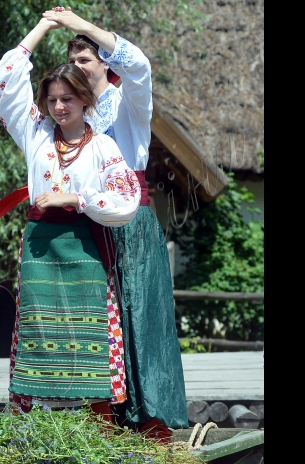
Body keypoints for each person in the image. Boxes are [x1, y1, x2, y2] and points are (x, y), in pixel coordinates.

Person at [39, 6, 189, 440]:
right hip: (88, 223)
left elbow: (138, 64)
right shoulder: (74, 119)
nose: (79, 70)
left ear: (106, 62)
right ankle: (105, 418)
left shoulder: (129, 101)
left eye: (86, 60)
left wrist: (80, 26)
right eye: (75, 63)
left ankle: (153, 421)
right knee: (97, 322)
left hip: (131, 222)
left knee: (139, 312)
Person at [0, 15, 141, 420]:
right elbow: (5, 79)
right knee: (39, 332)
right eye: (53, 99)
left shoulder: (102, 148)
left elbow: (126, 199)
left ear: (85, 101)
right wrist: (42, 28)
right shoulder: (35, 132)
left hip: (83, 247)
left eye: (68, 99)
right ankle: (37, 425)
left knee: (86, 330)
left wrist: (75, 197)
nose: (59, 107)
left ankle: (97, 426)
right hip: (39, 247)